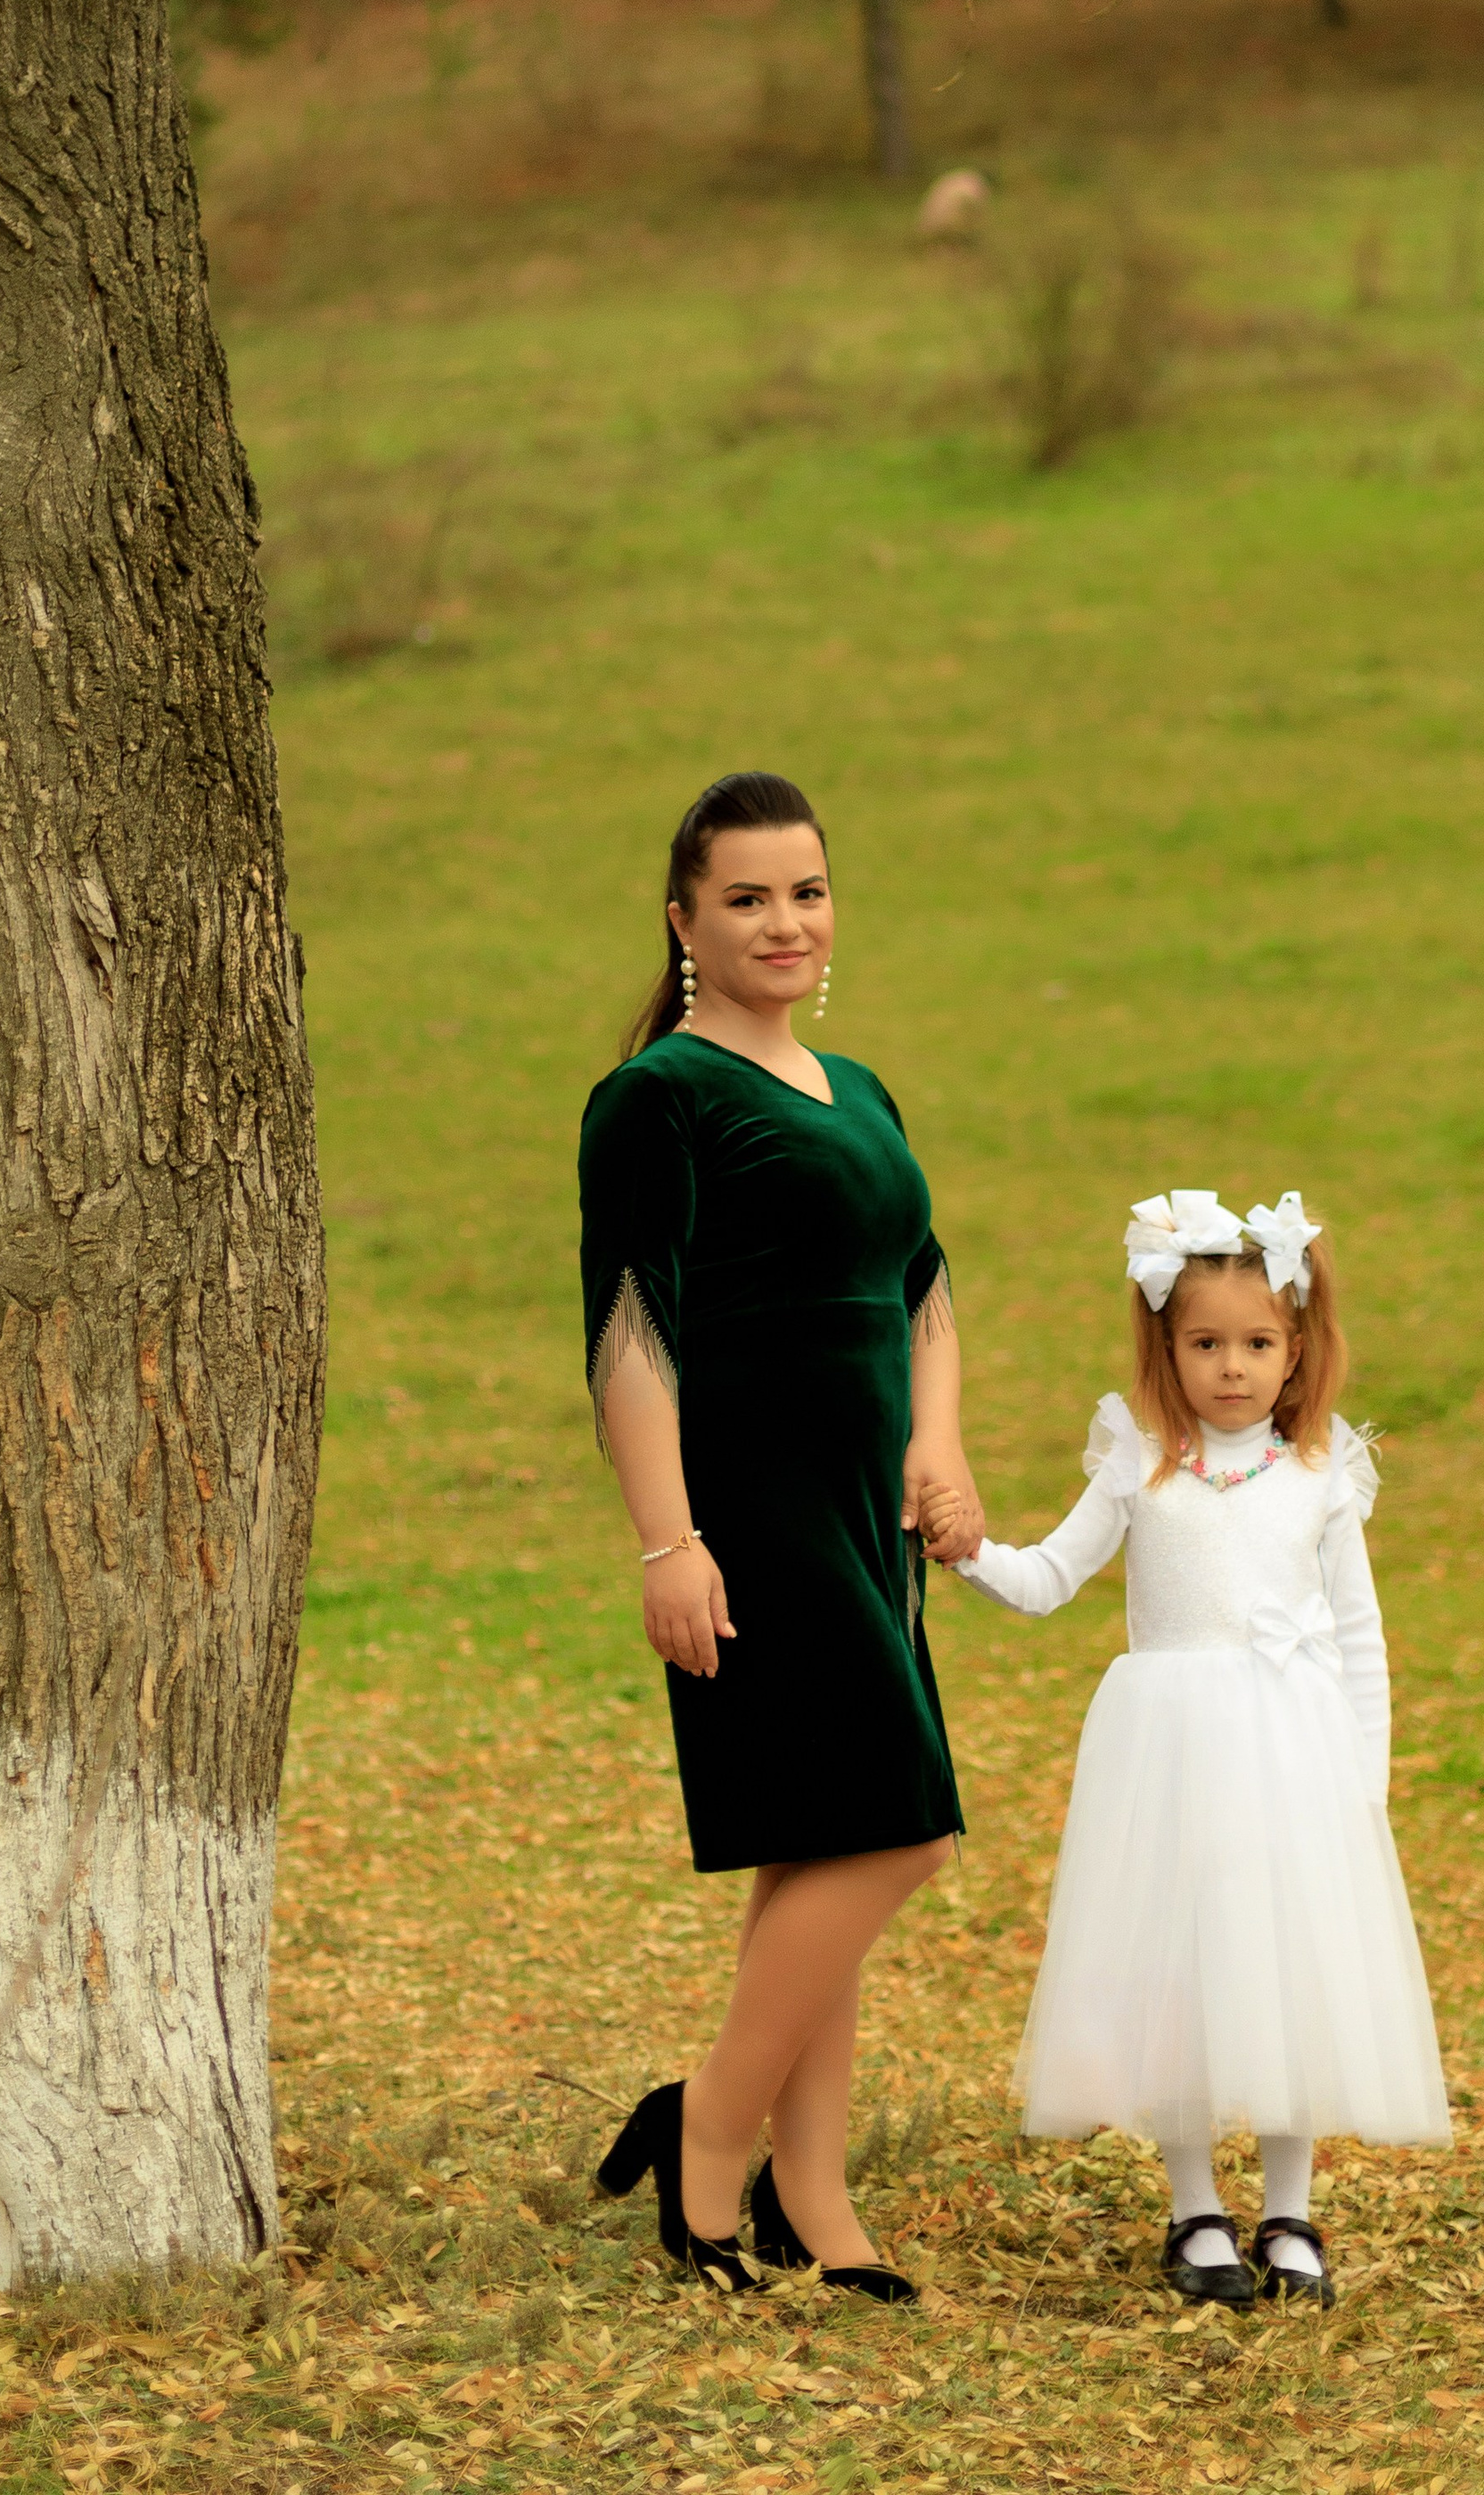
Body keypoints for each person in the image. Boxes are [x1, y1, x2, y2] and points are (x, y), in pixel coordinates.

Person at [578, 769, 985, 2298]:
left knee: (822, 1845)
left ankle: (815, 2196)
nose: (784, 921)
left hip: (860, 1513)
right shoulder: (657, 1099)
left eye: (805, 890)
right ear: (685, 922)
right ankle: (708, 2142)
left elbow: (922, 1287)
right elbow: (628, 1329)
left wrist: (934, 1445)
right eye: (747, 897)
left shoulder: (860, 1089)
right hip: (748, 1514)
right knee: (903, 1832)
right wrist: (666, 1542)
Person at [922, 1187, 1448, 2309]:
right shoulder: (1138, 1466)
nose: (1231, 1367)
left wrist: (1365, 1777)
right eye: (1205, 1342)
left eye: (1257, 1343)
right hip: (1170, 1754)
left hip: (1294, 1753)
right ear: (1166, 1342)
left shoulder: (1318, 1475)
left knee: (1287, 1966)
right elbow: (1051, 1577)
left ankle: (1290, 2207)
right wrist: (969, 1552)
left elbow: (1359, 1632)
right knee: (1186, 1965)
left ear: (1296, 1348)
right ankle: (1191, 2204)